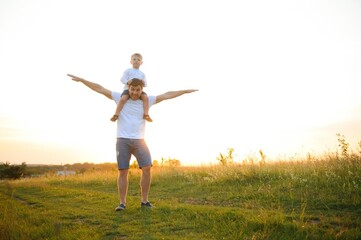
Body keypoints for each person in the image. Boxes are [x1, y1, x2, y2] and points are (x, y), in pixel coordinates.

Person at [67, 73, 198, 211]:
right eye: (132, 90)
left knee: (147, 168)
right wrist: (82, 80)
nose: (135, 93)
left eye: (138, 90)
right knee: (123, 171)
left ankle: (145, 201)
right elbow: (100, 88)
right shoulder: (120, 98)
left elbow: (166, 95)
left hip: (140, 141)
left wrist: (183, 91)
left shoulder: (147, 100)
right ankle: (122, 203)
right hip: (122, 140)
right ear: (128, 88)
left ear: (142, 90)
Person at [111, 53, 153, 122]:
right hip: (128, 89)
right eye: (134, 59)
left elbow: (145, 84)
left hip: (139, 91)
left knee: (146, 98)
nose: (136, 61)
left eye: (138, 60)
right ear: (131, 61)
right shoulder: (128, 71)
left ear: (141, 62)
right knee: (122, 99)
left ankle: (146, 114)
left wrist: (143, 83)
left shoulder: (142, 74)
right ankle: (116, 114)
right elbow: (122, 79)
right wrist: (127, 82)